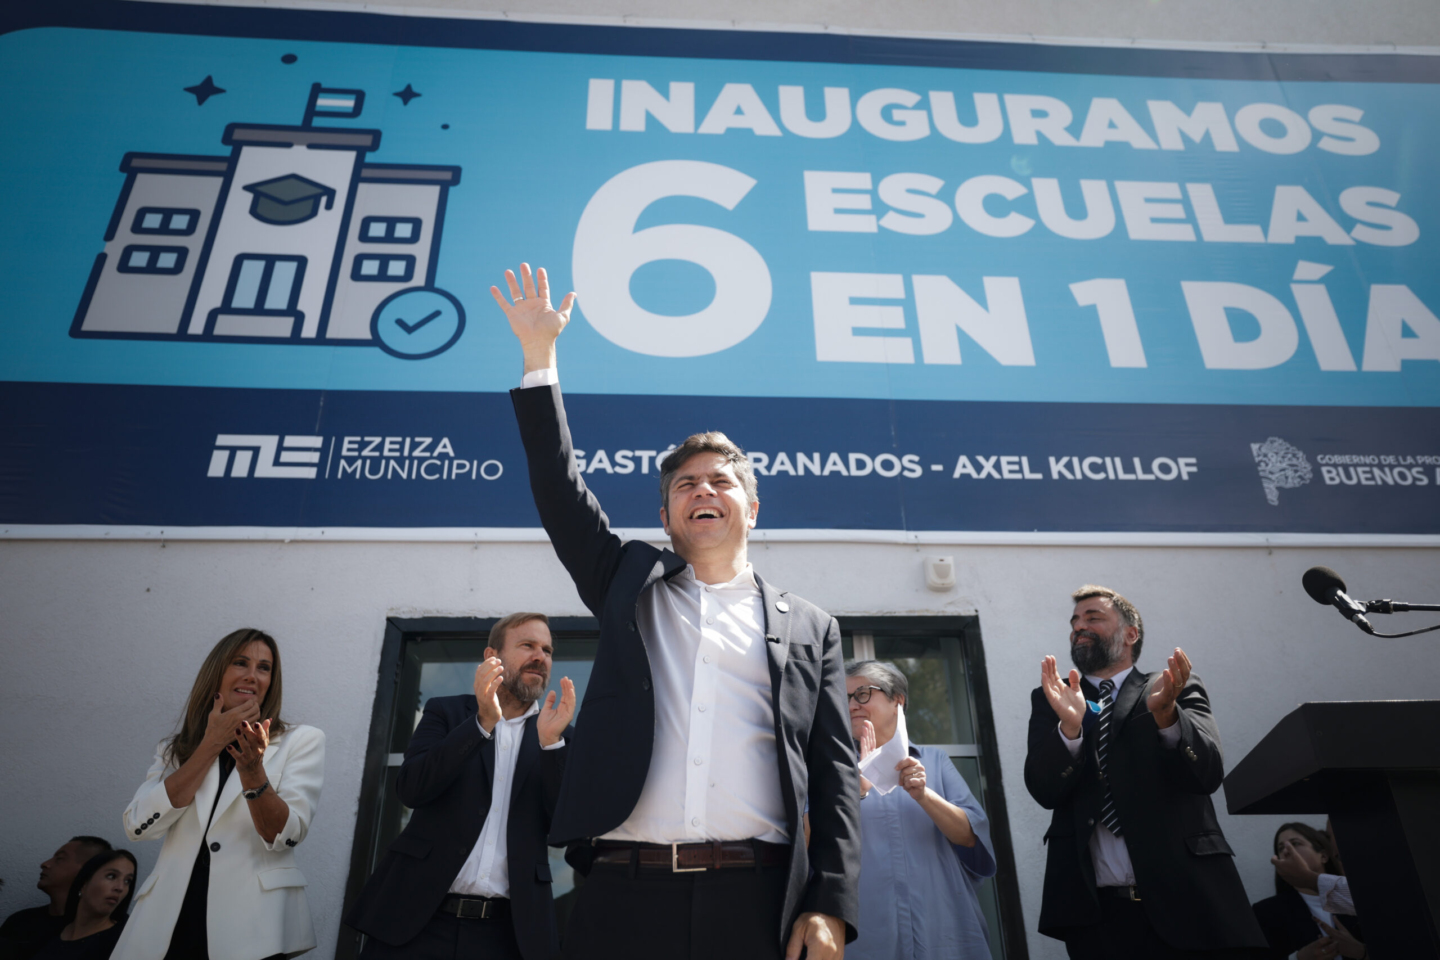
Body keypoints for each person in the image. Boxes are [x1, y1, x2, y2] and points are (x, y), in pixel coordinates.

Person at [492, 263, 860, 960]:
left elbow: (835, 778)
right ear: (666, 517)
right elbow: (560, 492)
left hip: (757, 899)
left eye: (721, 481)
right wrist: (540, 357)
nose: (704, 491)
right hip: (621, 895)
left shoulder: (812, 627)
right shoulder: (626, 584)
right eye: (686, 484)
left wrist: (830, 905)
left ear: (752, 508)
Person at [1024, 585, 1267, 959]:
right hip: (1097, 917)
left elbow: (1207, 773)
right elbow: (1043, 790)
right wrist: (1069, 730)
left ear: (1130, 634)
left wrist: (1167, 716)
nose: (1078, 627)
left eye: (1093, 617)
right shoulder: (1051, 698)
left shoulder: (1171, 686)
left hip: (1188, 902)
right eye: (1074, 622)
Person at [345, 612, 576, 960]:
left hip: (508, 935)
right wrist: (482, 723)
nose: (540, 656)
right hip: (417, 922)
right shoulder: (446, 712)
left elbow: (563, 830)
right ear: (492, 657)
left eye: (547, 650)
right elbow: (411, 789)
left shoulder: (558, 736)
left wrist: (550, 746)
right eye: (527, 645)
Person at [111, 629, 325, 960]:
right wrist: (211, 743)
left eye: (264, 668)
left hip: (253, 929)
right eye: (240, 663)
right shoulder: (175, 749)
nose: (252, 676)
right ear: (217, 672)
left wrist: (253, 771)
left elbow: (287, 835)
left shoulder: (301, 741)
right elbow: (138, 826)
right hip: (168, 925)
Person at [843, 661, 995, 960]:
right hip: (864, 932)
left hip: (944, 927)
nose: (851, 706)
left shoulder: (934, 761)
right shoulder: (829, 770)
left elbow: (970, 838)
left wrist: (924, 796)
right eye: (844, 697)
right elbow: (809, 846)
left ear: (897, 700)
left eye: (862, 694)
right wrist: (856, 790)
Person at [1253, 823, 1365, 960]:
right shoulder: (1266, 911)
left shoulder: (1359, 897)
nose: (1286, 851)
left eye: (1295, 843)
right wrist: (1297, 958)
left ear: (1323, 856)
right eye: (1281, 848)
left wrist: (1361, 952)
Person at [1, 838, 113, 959]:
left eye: (59, 859)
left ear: (87, 870)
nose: (45, 864)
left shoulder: (106, 930)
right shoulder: (20, 921)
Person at [30, 850, 137, 960]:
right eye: (111, 876)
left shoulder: (125, 940)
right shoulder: (46, 930)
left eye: (127, 881)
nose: (120, 887)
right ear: (84, 883)